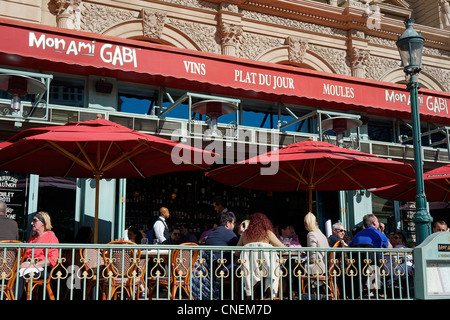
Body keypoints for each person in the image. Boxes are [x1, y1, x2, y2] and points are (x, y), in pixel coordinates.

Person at [237, 213, 285, 298]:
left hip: (249, 270)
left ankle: (248, 294)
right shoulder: (267, 233)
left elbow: (237, 251)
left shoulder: (245, 234)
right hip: (268, 270)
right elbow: (283, 249)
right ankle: (272, 295)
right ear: (265, 223)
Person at [16, 211, 59, 300]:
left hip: (42, 268)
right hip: (29, 265)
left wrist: (31, 265)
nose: (32, 223)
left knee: (20, 275)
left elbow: (52, 259)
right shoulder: (33, 238)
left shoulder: (50, 237)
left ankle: (13, 298)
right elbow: (24, 254)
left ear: (43, 223)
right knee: (11, 272)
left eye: (35, 220)